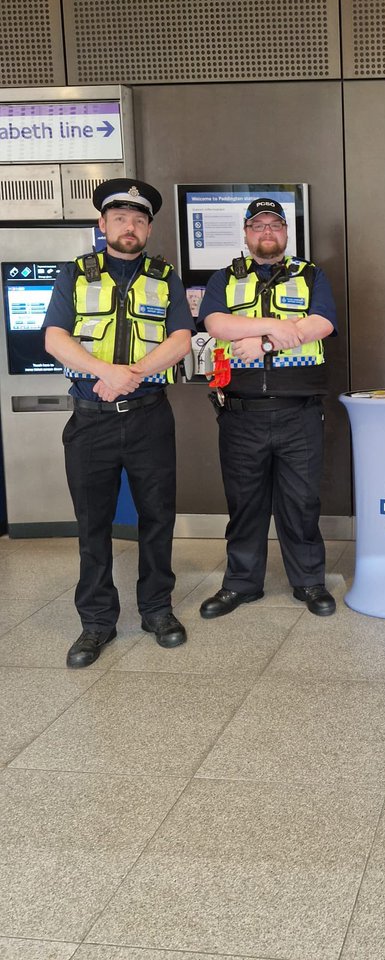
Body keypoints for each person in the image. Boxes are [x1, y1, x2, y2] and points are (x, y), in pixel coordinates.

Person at [43, 178, 194, 667]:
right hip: (91, 421)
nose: (130, 227)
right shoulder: (76, 273)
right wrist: (107, 372)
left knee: (157, 518)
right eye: (120, 218)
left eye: (139, 219)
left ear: (149, 228)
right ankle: (96, 623)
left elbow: (180, 338)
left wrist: (132, 376)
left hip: (150, 417)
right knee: (93, 525)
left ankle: (156, 610)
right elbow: (54, 339)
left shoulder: (164, 275)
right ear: (103, 224)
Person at [197, 197, 338, 618]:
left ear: (286, 233)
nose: (266, 233)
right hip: (241, 414)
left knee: (301, 504)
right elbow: (215, 323)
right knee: (245, 504)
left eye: (274, 225)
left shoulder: (312, 275)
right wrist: (277, 326)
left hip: (300, 412)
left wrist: (261, 342)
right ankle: (241, 584)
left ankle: (310, 583)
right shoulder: (224, 278)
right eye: (257, 226)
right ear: (245, 233)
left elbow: (322, 323)